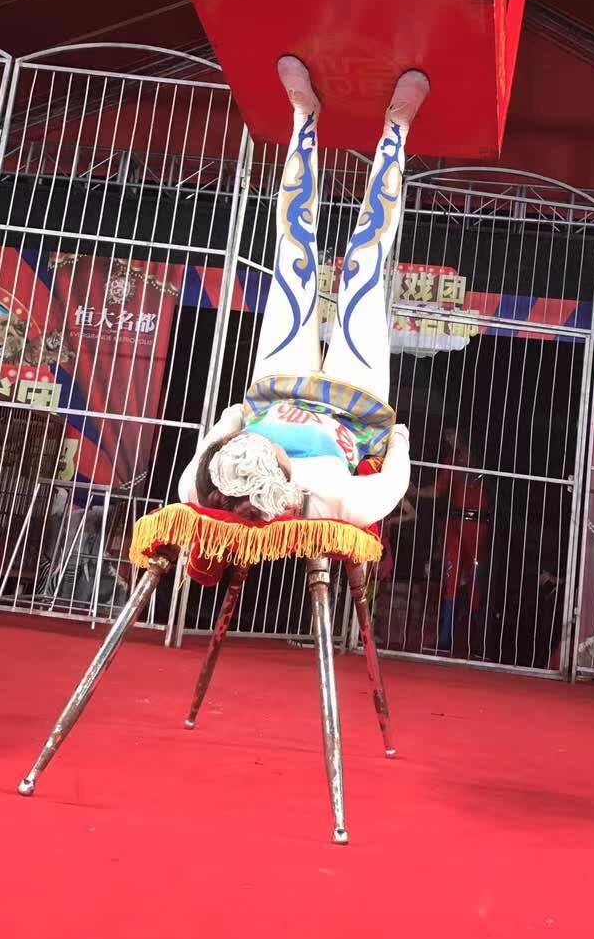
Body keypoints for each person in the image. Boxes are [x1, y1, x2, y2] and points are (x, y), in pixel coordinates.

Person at [177, 57, 430, 529]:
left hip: (275, 391)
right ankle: (397, 126)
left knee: (292, 255)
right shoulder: (335, 501)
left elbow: (229, 419)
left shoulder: (198, 487)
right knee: (364, 268)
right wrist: (394, 440)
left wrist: (239, 422)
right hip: (354, 409)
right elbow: (394, 477)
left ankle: (303, 117)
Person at [410, 428, 490, 653]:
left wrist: (462, 449)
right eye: (446, 435)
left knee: (475, 583)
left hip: (477, 524)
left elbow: (474, 475)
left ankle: (478, 642)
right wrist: (416, 492)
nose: (449, 438)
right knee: (451, 580)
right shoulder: (451, 459)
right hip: (455, 523)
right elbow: (439, 490)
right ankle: (445, 638)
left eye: (453, 433)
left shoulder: (479, 457)